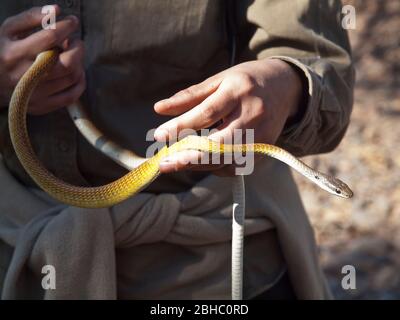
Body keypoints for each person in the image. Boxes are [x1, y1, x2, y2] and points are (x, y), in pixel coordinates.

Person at [0, 1, 354, 299]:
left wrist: (284, 85)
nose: (336, 190)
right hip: (21, 257)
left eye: (335, 188)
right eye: (334, 187)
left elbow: (321, 65)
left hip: (223, 264)